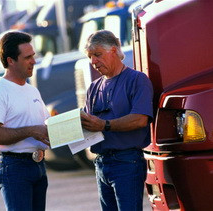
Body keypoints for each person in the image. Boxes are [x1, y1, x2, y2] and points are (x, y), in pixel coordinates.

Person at [80, 30, 153, 211]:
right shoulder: (93, 88)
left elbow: (140, 119)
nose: (93, 62)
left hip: (127, 162)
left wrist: (104, 125)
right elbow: (89, 125)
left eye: (97, 55)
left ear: (114, 51)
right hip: (101, 164)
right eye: (90, 57)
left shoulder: (137, 80)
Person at [0, 31, 50, 211]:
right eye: (27, 57)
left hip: (39, 166)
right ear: (11, 60)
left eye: (33, 56)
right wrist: (30, 131)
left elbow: (46, 125)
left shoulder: (32, 90)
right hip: (15, 168)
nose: (33, 61)